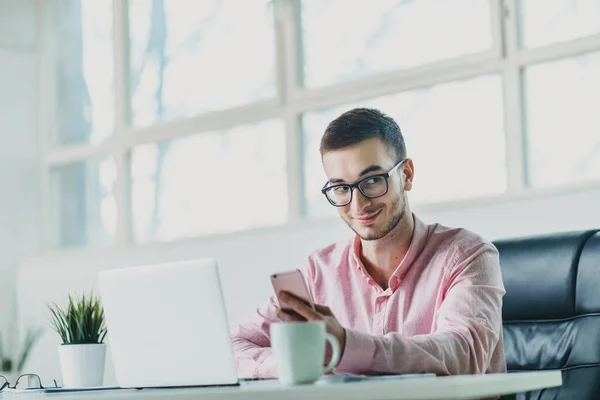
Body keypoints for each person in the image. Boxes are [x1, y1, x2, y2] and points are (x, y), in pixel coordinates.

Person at [231, 107, 506, 378]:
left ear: (406, 175)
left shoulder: (468, 254)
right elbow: (234, 347)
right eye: (341, 188)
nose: (358, 204)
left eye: (372, 180)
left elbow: (463, 354)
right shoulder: (320, 271)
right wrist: (301, 361)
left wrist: (347, 346)